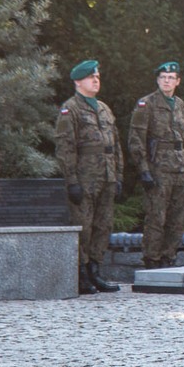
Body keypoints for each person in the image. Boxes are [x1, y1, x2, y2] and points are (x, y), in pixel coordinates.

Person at [54, 60, 123, 295]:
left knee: (102, 225)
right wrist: (72, 181)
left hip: (107, 176)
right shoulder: (70, 109)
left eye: (98, 77)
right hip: (84, 178)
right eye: (91, 77)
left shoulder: (104, 108)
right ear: (77, 81)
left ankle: (95, 270)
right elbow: (65, 148)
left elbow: (115, 145)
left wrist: (119, 175)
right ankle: (81, 274)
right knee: (83, 227)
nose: (96, 80)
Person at [128, 61, 184, 269]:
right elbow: (136, 139)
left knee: (178, 218)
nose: (166, 81)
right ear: (158, 80)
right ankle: (152, 259)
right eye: (163, 77)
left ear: (177, 81)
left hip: (180, 168)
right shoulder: (146, 104)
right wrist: (144, 170)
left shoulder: (180, 104)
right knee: (156, 217)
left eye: (171, 78)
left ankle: (169, 257)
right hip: (158, 169)